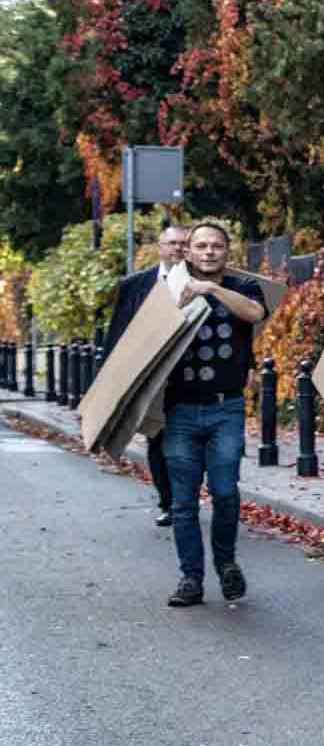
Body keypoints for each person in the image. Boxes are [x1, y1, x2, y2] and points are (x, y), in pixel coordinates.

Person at [159, 222, 268, 608]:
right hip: (180, 412)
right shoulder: (169, 289)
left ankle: (226, 564)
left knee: (225, 492)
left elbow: (255, 313)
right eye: (201, 246)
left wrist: (213, 290)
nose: (208, 252)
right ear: (188, 252)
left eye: (216, 246)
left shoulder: (243, 288)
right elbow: (148, 337)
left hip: (226, 408)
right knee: (184, 502)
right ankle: (191, 579)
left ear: (227, 251)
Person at [102, 222, 191, 527]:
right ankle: (169, 502)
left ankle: (185, 498)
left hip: (191, 378)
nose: (179, 249)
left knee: (191, 442)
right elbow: (117, 333)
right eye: (173, 243)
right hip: (152, 380)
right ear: (161, 248)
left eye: (184, 243)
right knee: (158, 442)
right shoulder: (134, 285)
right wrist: (107, 383)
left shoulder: (208, 282)